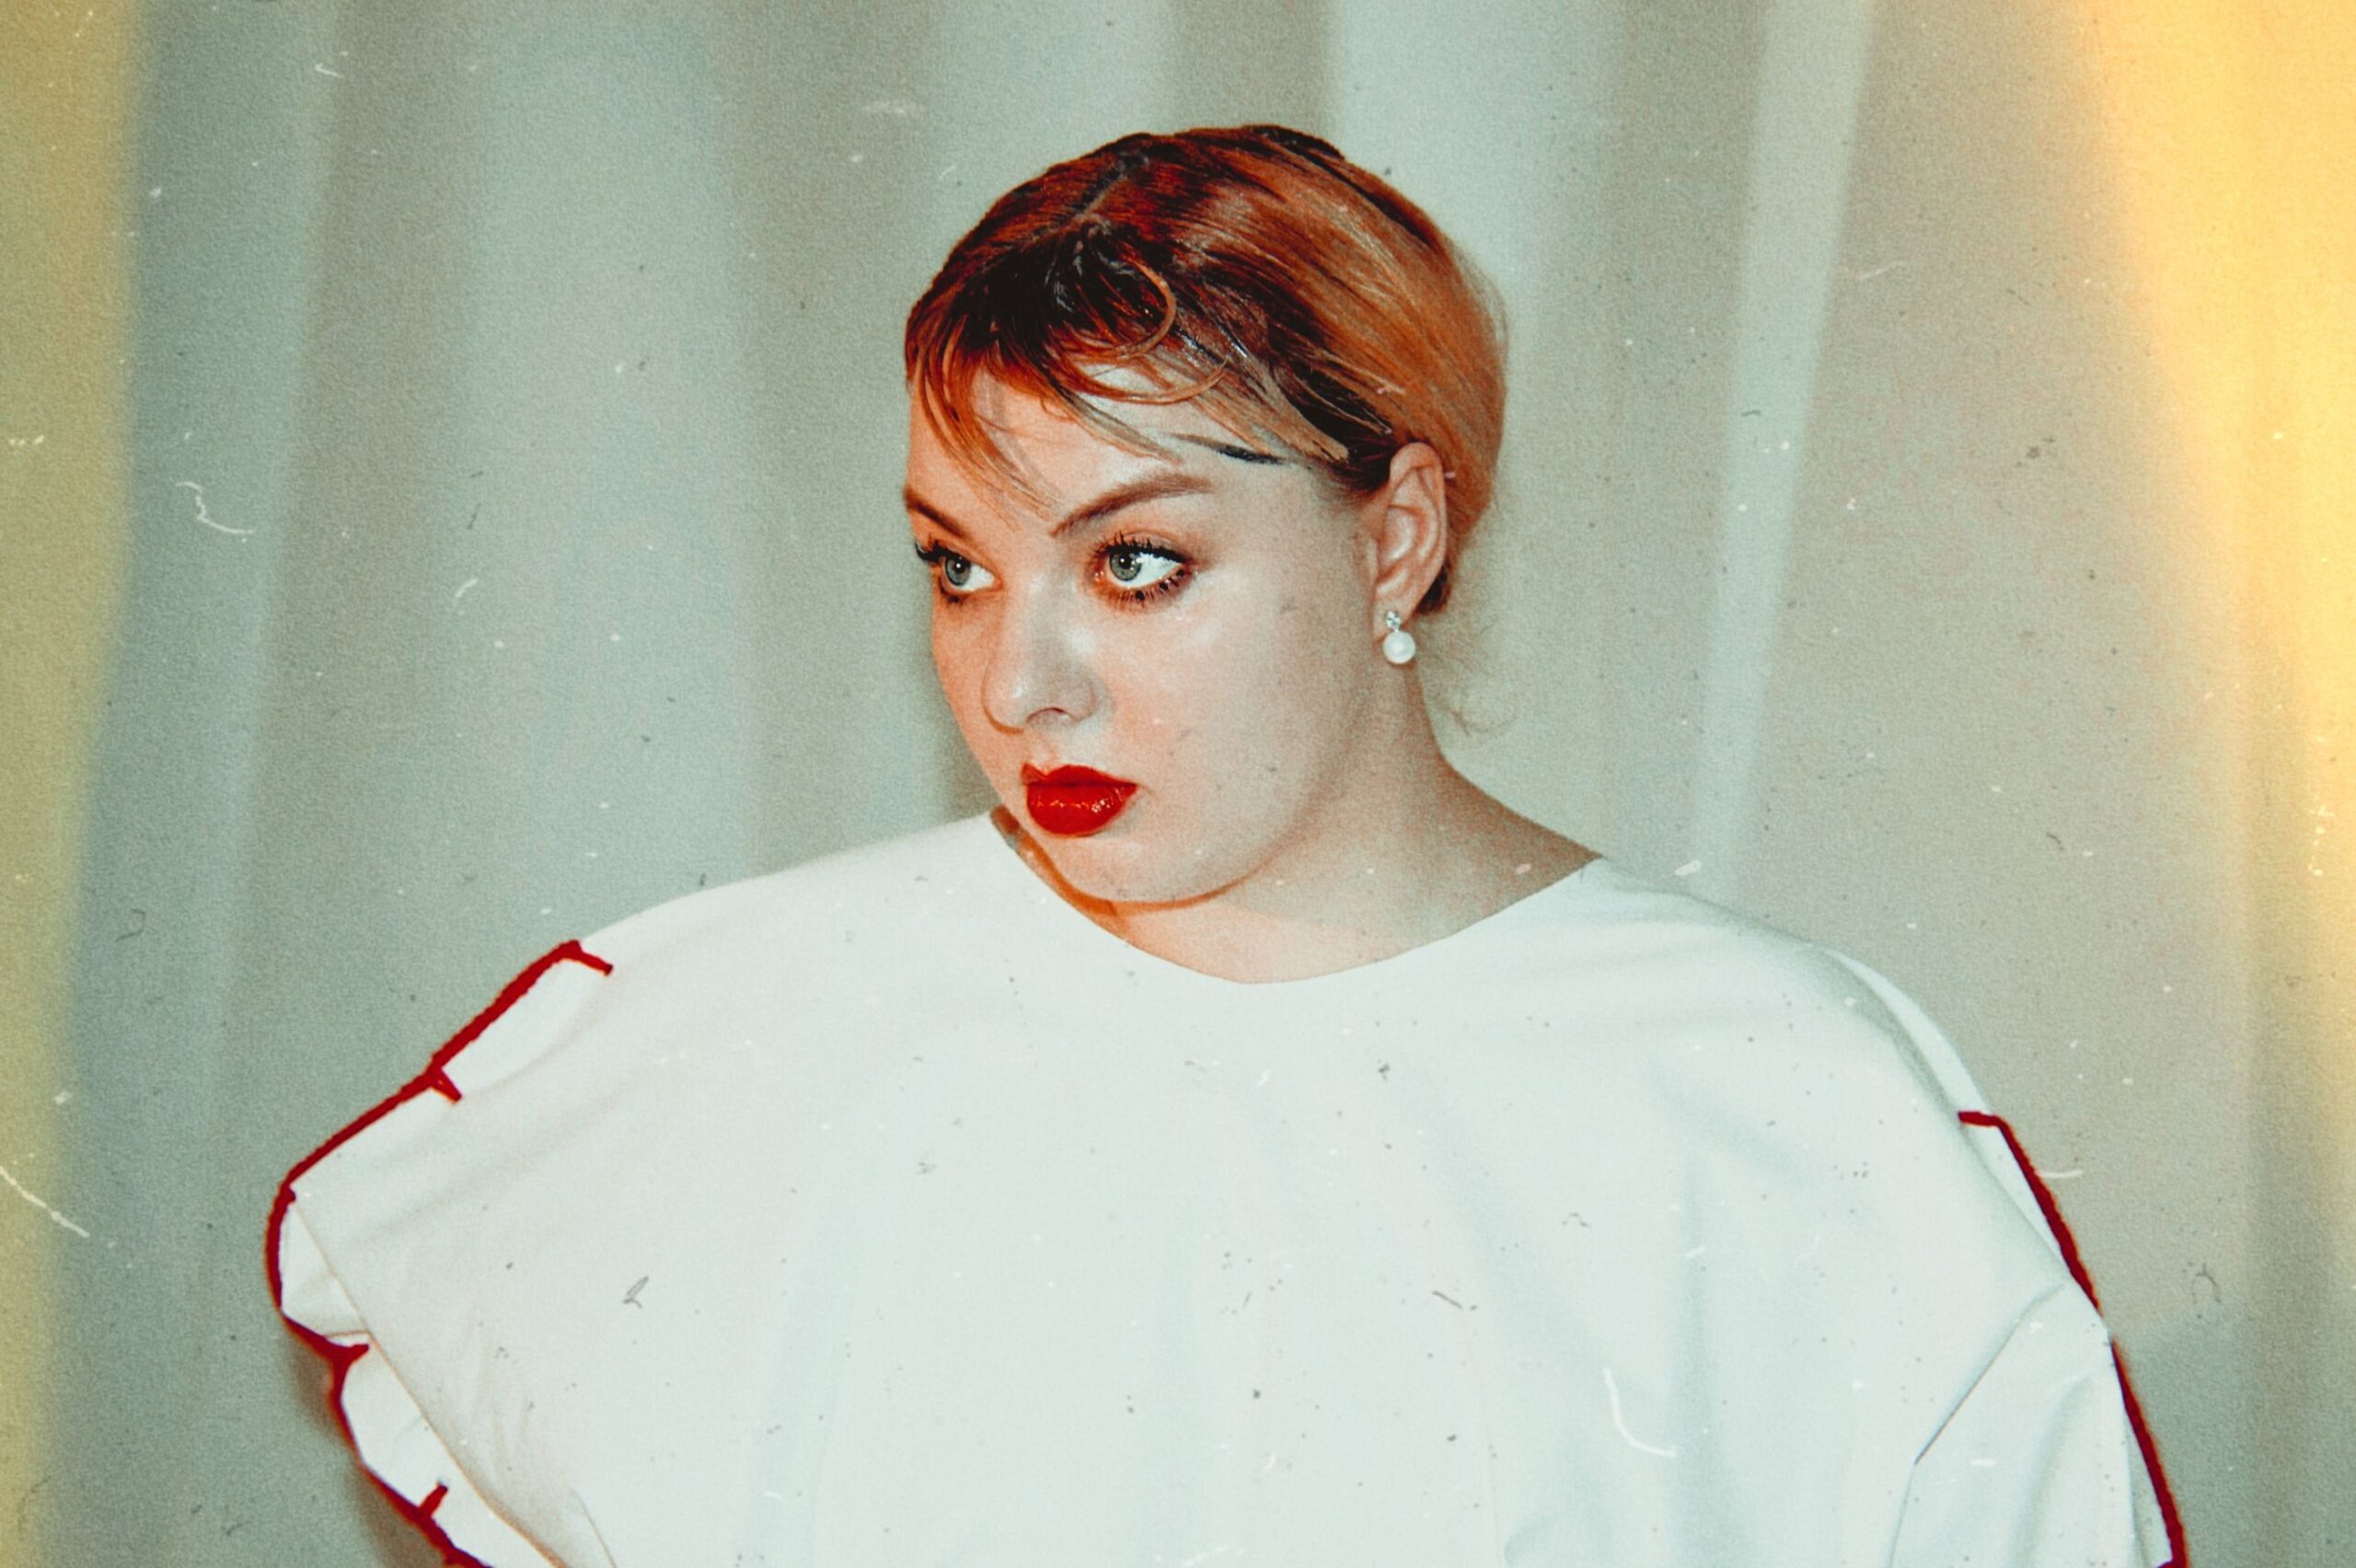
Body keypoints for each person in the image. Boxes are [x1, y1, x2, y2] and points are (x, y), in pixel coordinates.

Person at [269, 125, 2182, 1566]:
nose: (1020, 683)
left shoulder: (1767, 1095)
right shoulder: (748, 1023)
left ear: (1394, 537)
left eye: (1134, 563)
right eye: (955, 565)